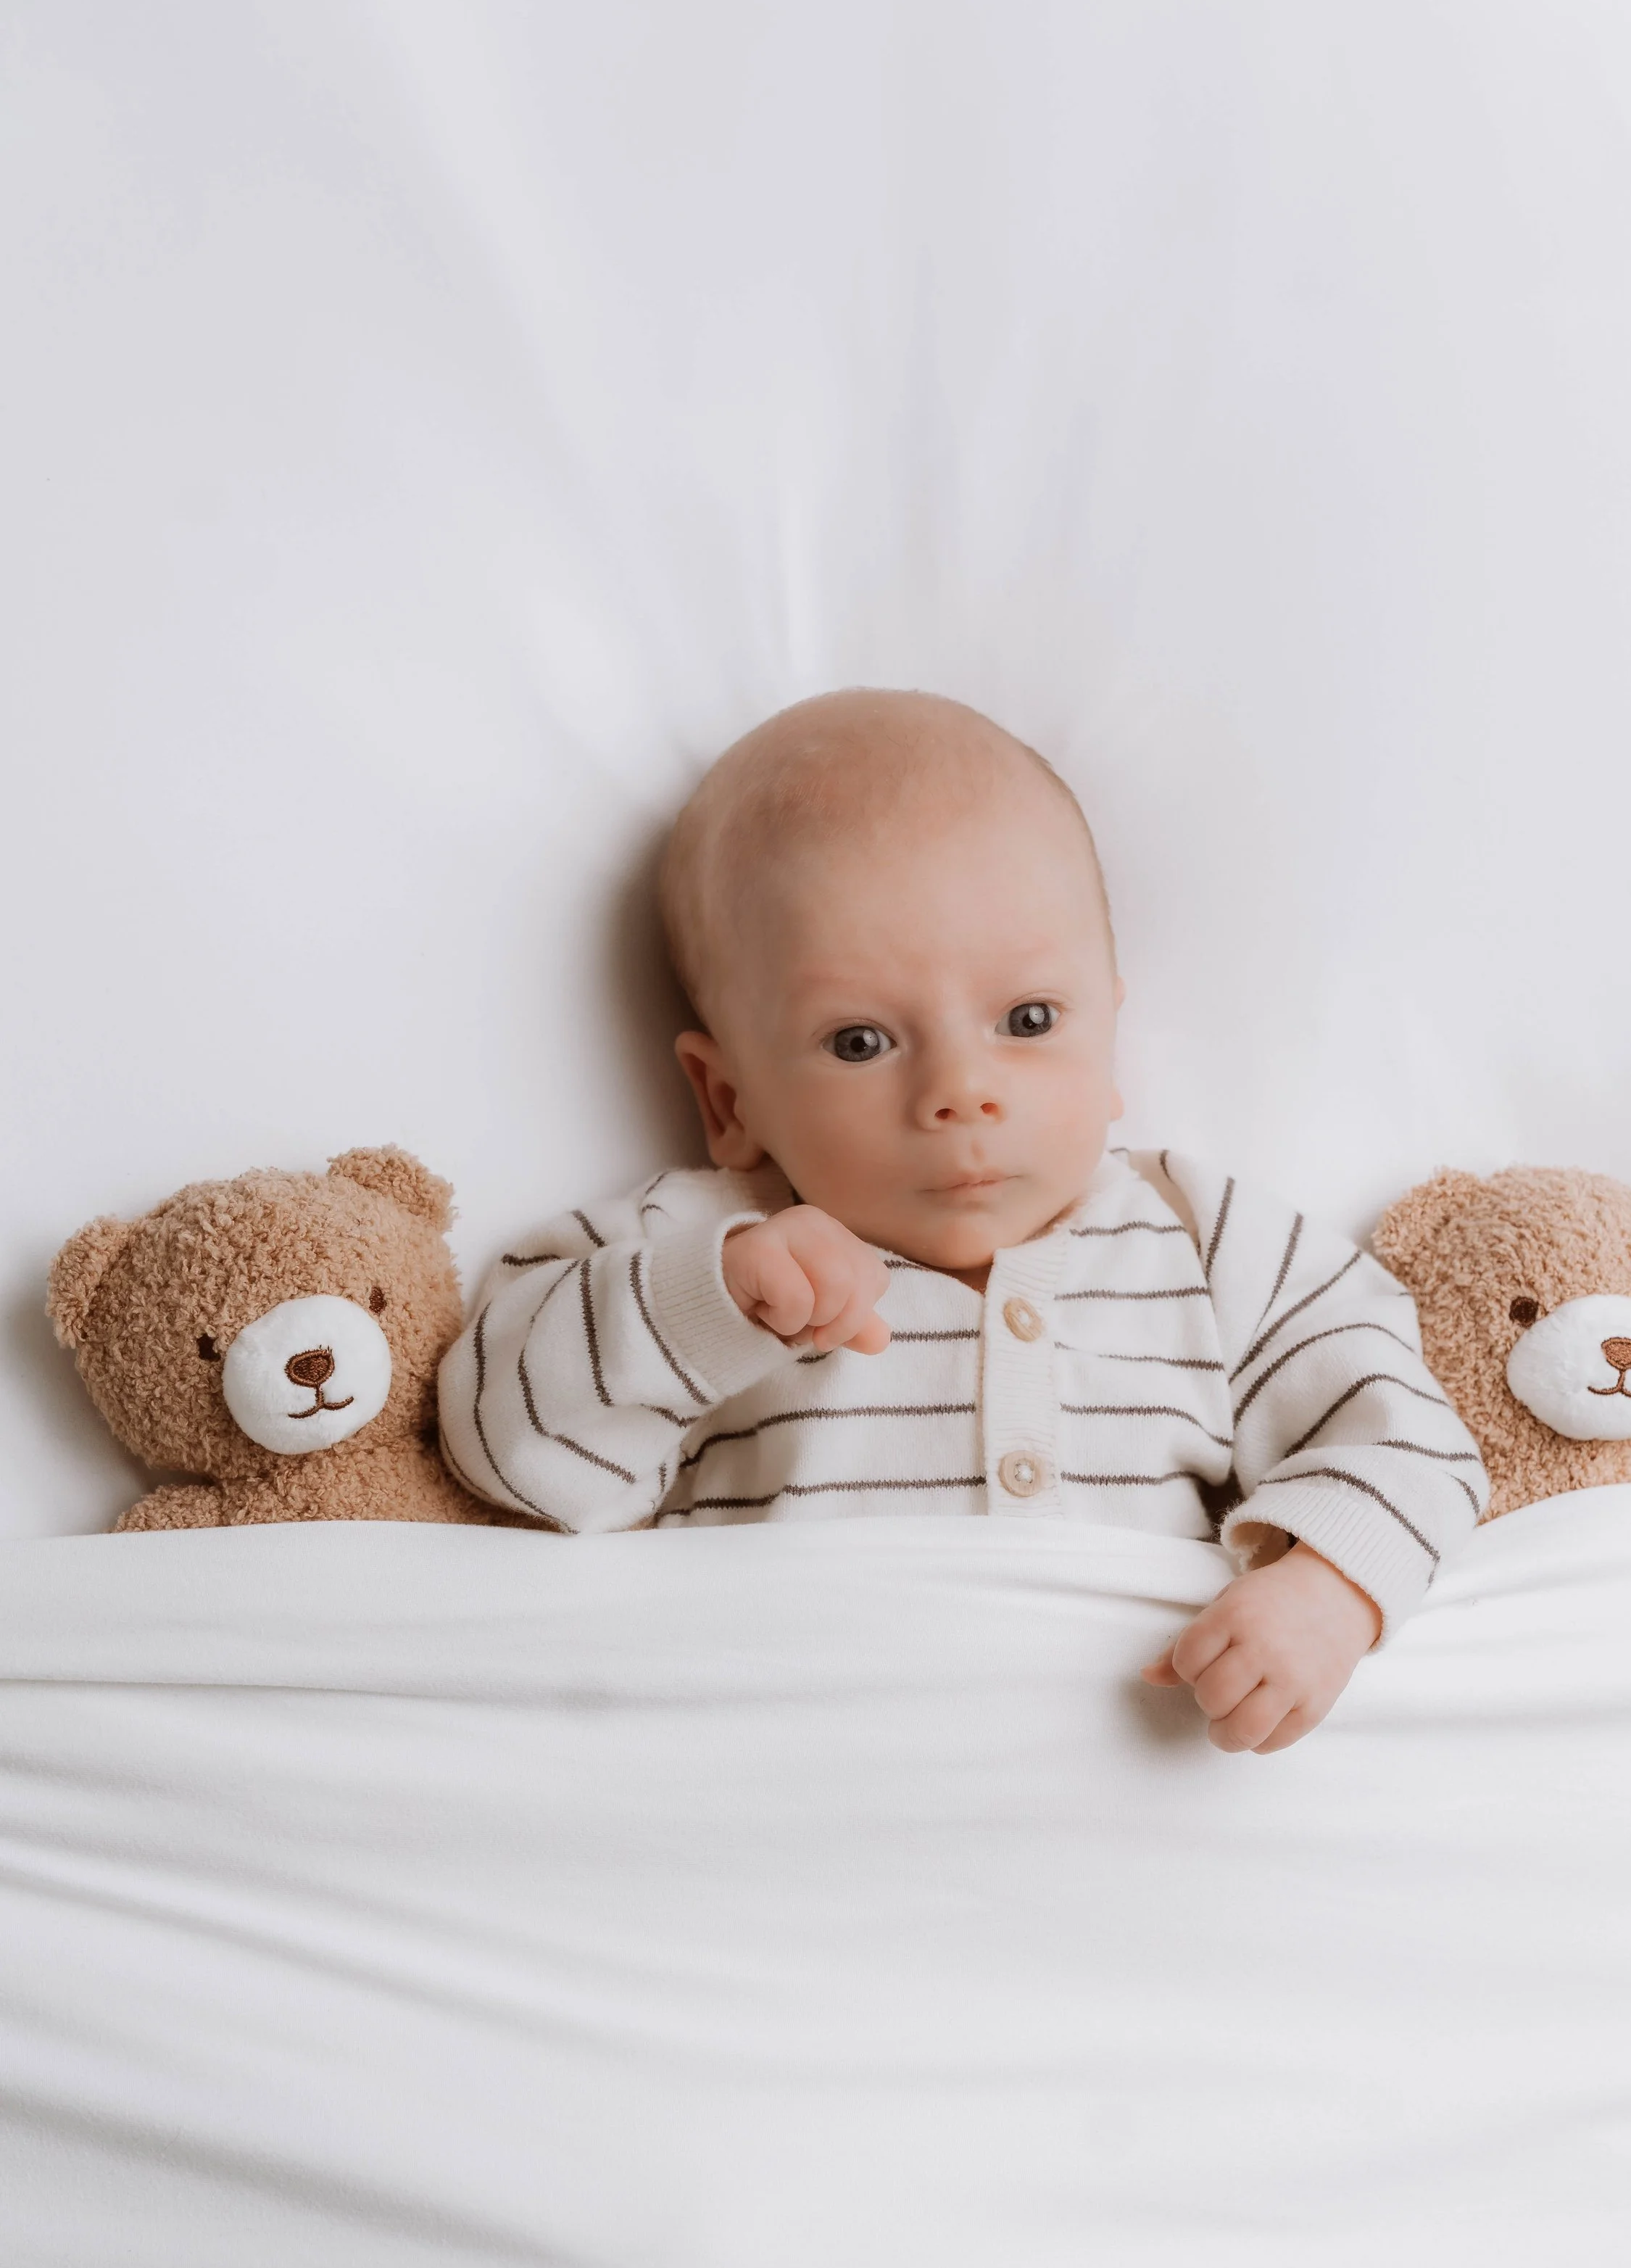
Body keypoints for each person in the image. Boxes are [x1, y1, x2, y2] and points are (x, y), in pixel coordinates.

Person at [438, 690, 1486, 1751]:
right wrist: (706, 1300)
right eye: (858, 1042)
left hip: (1139, 1783)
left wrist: (1327, 1588)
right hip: (785, 1787)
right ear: (729, 1101)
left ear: (1108, 1037)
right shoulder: (699, 1247)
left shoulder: (1209, 1242)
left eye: (1028, 1021)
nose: (961, 1090)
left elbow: (1412, 1433)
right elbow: (501, 1440)